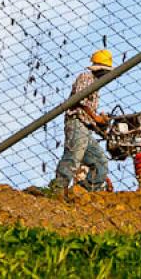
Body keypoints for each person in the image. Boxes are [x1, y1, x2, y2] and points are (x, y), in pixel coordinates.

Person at [45, 49, 113, 197]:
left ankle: (82, 192)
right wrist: (96, 118)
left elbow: (86, 109)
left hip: (85, 128)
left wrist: (99, 123)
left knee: (100, 161)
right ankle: (57, 189)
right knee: (73, 157)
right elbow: (80, 100)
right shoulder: (87, 77)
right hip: (76, 123)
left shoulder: (95, 84)